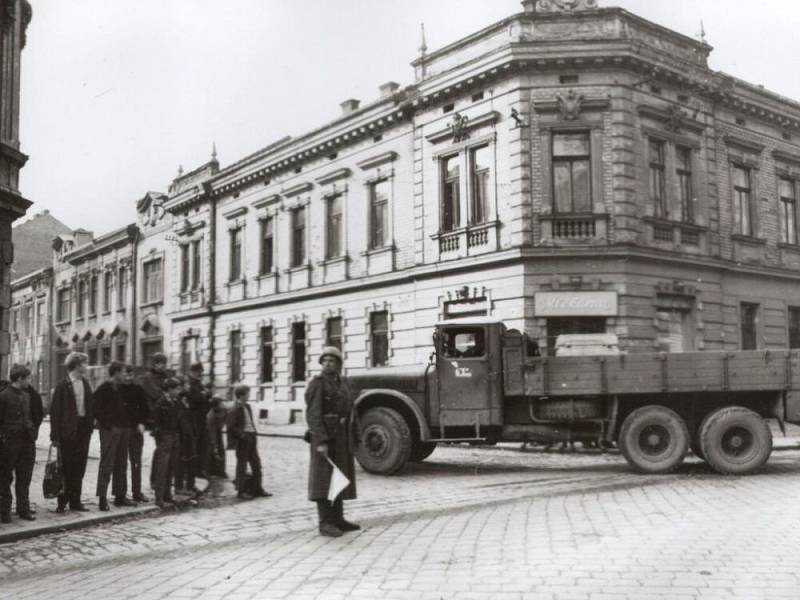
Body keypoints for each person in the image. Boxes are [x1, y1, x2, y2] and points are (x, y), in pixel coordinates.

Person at [305, 346, 360, 537]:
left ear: (339, 364)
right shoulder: (317, 384)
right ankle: (325, 522)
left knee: (339, 477)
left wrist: (355, 434)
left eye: (332, 361)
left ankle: (338, 518)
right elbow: (313, 415)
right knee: (324, 480)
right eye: (325, 361)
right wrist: (320, 440)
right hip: (326, 437)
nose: (328, 364)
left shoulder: (343, 382)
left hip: (342, 437)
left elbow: (351, 408)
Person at [50, 352, 94, 512]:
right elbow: (55, 413)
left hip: (83, 430)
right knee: (65, 467)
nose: (86, 366)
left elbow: (90, 405)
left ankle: (76, 501)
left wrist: (90, 425)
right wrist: (54, 437)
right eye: (85, 363)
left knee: (79, 466)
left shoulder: (86, 383)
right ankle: (62, 502)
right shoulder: (63, 386)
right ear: (76, 365)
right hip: (67, 432)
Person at [0, 365, 43, 522]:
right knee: (5, 478)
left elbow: (32, 416)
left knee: (24, 477)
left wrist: (32, 432)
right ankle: (4, 512)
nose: (29, 381)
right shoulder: (3, 396)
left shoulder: (27, 396)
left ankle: (23, 509)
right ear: (19, 379)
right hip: (9, 443)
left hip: (27, 441)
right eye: (28, 378)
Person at [93, 362, 136, 511]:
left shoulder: (123, 388)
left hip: (124, 430)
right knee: (107, 464)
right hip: (109, 431)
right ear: (116, 373)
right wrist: (109, 425)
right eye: (123, 372)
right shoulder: (104, 388)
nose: (125, 375)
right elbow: (96, 409)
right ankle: (102, 498)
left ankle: (120, 496)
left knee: (122, 464)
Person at [226, 385, 271, 500]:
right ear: (242, 395)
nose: (249, 395)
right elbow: (231, 427)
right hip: (243, 439)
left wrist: (253, 433)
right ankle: (241, 491)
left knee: (256, 464)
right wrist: (242, 435)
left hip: (251, 436)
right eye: (247, 393)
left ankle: (258, 488)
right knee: (242, 465)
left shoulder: (248, 406)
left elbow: (249, 421)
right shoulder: (234, 409)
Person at [120, 365, 150, 502]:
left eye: (131, 375)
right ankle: (121, 493)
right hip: (122, 430)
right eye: (126, 374)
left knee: (136, 462)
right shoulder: (117, 389)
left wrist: (142, 423)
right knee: (121, 463)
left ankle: (137, 492)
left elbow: (145, 408)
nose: (128, 377)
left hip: (136, 430)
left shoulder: (138, 390)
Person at [139, 352, 168, 490]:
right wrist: (166, 392)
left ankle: (162, 478)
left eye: (164, 363)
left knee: (164, 448)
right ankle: (155, 480)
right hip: (154, 416)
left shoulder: (164, 377)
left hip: (165, 416)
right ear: (155, 364)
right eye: (160, 363)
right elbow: (156, 393)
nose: (163, 366)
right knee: (160, 448)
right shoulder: (148, 378)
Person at [151, 377, 181, 508]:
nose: (179, 391)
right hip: (165, 437)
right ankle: (159, 497)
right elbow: (156, 424)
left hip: (173, 436)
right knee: (162, 468)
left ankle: (167, 495)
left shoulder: (175, 402)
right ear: (169, 390)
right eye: (176, 388)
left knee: (171, 467)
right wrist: (161, 439)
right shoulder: (160, 403)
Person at [175, 376, 200, 495]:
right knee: (181, 461)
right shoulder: (177, 403)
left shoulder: (188, 402)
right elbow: (180, 421)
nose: (189, 387)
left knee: (192, 460)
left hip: (190, 435)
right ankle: (180, 487)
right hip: (182, 437)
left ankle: (191, 485)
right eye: (187, 385)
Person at [186, 363, 210, 478]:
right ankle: (195, 471)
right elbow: (197, 398)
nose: (201, 374)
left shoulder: (198, 383)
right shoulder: (190, 383)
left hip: (201, 417)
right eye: (200, 371)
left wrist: (204, 395)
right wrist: (204, 395)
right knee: (195, 444)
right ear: (194, 371)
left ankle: (201, 470)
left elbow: (206, 396)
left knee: (203, 444)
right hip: (193, 418)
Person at [205, 396, 228, 478]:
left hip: (219, 430)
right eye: (220, 404)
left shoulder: (224, 409)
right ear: (215, 406)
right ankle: (207, 471)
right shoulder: (210, 416)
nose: (222, 404)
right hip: (210, 431)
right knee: (211, 451)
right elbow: (212, 433)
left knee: (221, 450)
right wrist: (214, 445)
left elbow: (226, 417)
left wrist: (222, 424)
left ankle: (221, 471)